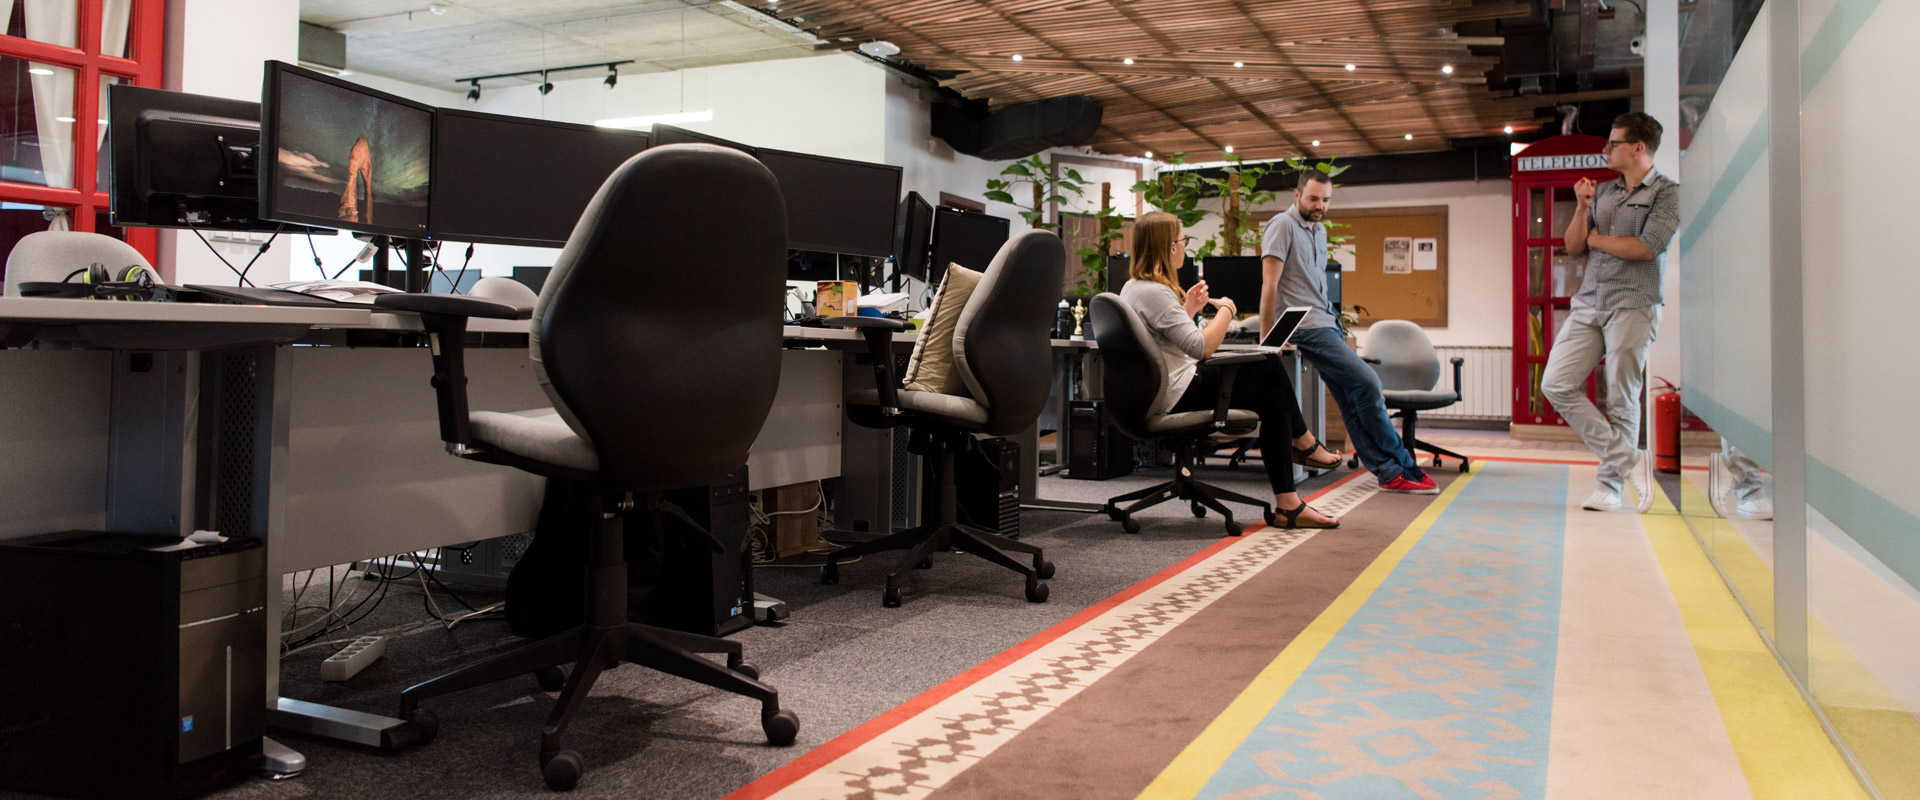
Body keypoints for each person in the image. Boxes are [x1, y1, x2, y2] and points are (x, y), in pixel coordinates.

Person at [1120, 212, 1343, 528]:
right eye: (1183, 240)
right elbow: (1202, 348)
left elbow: (1164, 340)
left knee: (1272, 399)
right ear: (1170, 247)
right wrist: (1226, 309)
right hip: (1177, 393)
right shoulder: (1156, 292)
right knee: (1268, 363)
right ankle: (1304, 444)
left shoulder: (1133, 287)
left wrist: (1189, 310)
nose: (1184, 246)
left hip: (1159, 391)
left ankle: (1289, 503)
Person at [1259, 170, 1438, 495]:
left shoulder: (1319, 230)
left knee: (1351, 397)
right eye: (1313, 199)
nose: (1320, 206)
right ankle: (1405, 464)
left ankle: (1388, 472)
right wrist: (1267, 338)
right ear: (1297, 195)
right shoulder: (1282, 226)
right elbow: (1269, 284)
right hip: (1306, 327)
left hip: (1327, 322)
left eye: (1326, 200)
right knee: (1368, 384)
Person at [1547, 111, 1681, 513]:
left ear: (1639, 148)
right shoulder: (1602, 193)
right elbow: (1574, 246)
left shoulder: (1667, 193)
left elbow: (1647, 247)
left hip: (1634, 303)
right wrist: (1581, 207)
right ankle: (1629, 462)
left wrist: (1599, 239)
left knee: (1622, 400)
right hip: (1590, 300)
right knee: (1556, 384)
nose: (1605, 149)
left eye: (1613, 143)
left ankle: (1610, 488)